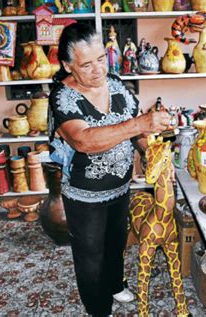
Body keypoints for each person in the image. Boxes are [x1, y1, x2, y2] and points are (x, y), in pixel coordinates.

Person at [48, 22, 172, 317]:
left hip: (120, 187)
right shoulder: (62, 98)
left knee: (116, 242)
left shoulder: (118, 87)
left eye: (101, 59)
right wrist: (140, 123)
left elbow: (136, 134)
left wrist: (149, 149)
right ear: (67, 66)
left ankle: (115, 284)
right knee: (91, 255)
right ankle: (98, 308)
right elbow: (84, 141)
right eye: (86, 65)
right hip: (84, 195)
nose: (98, 70)